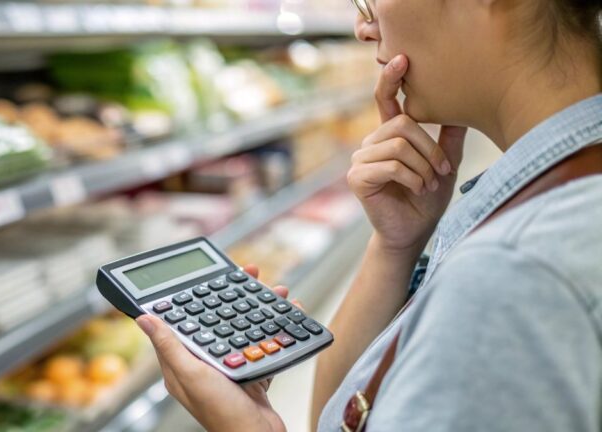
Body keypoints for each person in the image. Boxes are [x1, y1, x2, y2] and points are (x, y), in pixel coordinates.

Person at [134, 0, 602, 430]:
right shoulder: (560, 198)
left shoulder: (510, 275)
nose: (363, 27)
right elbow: (344, 410)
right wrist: (396, 246)